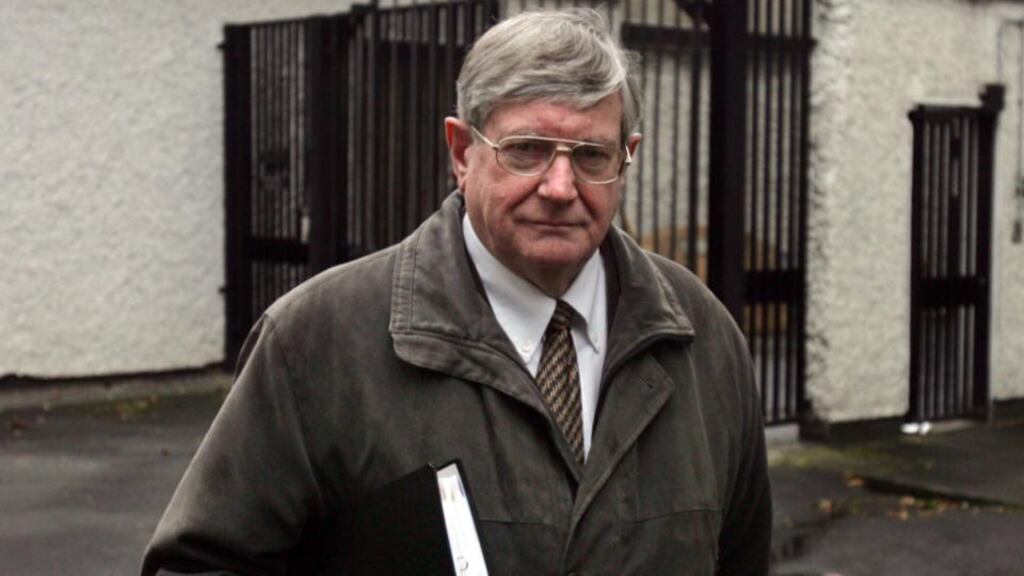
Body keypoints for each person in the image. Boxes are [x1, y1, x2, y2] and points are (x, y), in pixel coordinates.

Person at [142, 7, 770, 575]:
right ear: (462, 151)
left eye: (589, 155)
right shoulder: (316, 342)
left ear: (625, 159)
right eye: (525, 150)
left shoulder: (702, 338)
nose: (559, 185)